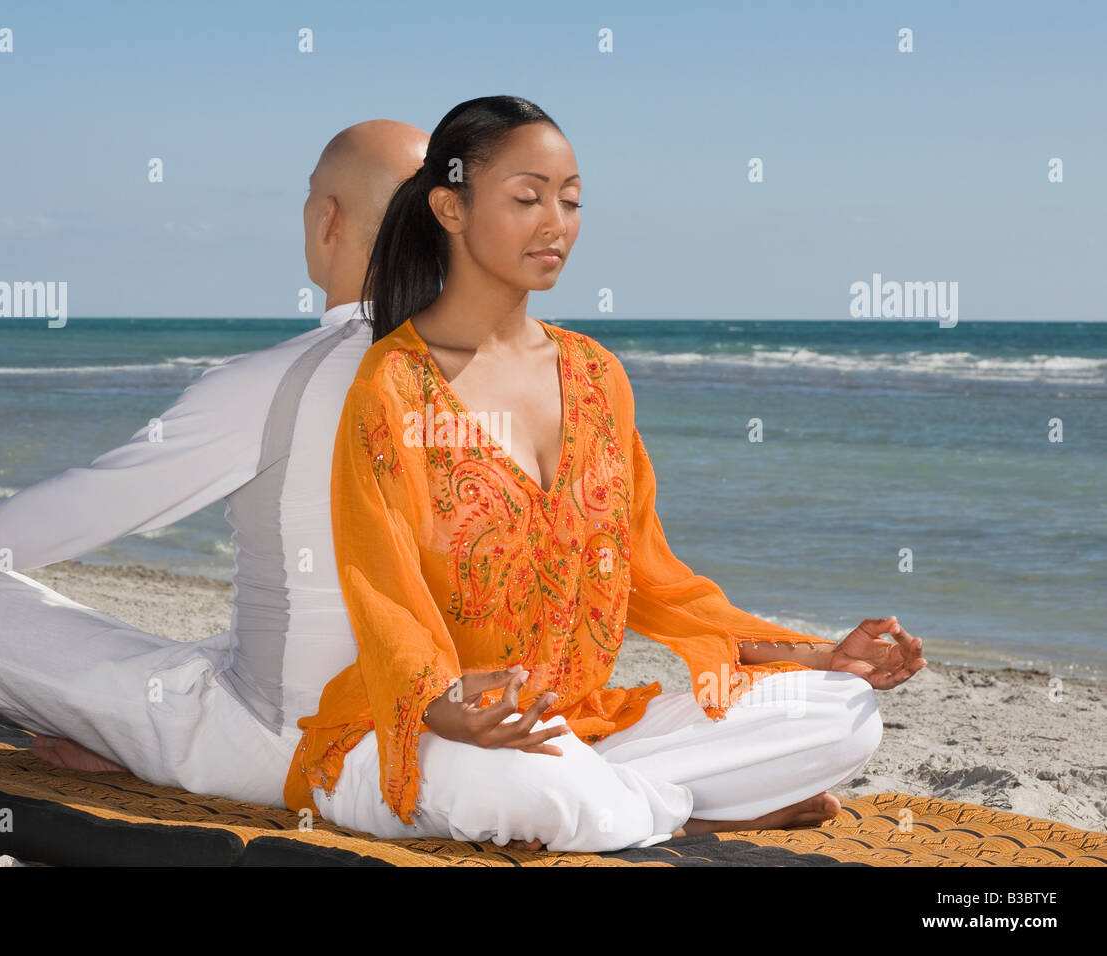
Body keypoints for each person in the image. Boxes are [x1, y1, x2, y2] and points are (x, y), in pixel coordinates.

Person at [284, 96, 927, 852]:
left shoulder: (596, 376)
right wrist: (445, 705)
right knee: (537, 788)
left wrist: (818, 655)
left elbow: (656, 582)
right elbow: (381, 591)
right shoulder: (391, 384)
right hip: (427, 733)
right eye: (526, 199)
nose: (555, 223)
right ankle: (683, 811)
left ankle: (629, 801)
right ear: (449, 208)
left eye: (571, 200)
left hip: (578, 729)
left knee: (843, 714)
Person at [0, 119, 428, 807]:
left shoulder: (274, 382)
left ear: (327, 219)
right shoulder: (491, 375)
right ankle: (128, 726)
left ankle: (129, 743)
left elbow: (87, 507)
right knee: (235, 640)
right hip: (423, 729)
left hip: (283, 747)